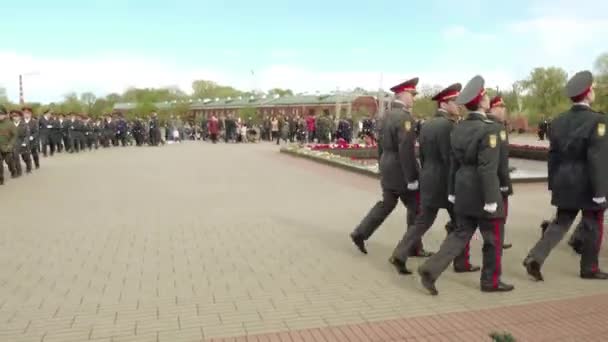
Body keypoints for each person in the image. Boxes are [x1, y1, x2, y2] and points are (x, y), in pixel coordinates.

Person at [417, 75, 513, 295]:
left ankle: (430, 269)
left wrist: (451, 191)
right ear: (481, 101)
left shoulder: (458, 127)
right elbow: (488, 168)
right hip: (483, 190)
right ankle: (491, 281)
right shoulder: (489, 129)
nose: (488, 98)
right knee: (493, 237)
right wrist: (491, 199)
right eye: (486, 95)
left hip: (462, 187)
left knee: (460, 234)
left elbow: (454, 164)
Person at [523, 70, 608, 281]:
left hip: (564, 179)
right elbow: (596, 157)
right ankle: (589, 268)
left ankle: (535, 257)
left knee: (560, 223)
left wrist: (553, 183)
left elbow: (552, 155)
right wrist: (600, 191)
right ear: (588, 93)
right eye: (593, 89)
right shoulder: (598, 120)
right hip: (588, 182)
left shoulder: (559, 121)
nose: (594, 92)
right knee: (593, 224)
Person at [390, 83, 478, 274]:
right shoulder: (449, 126)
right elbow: (451, 158)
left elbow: (421, 154)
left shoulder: (428, 123)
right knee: (461, 224)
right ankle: (460, 262)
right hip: (446, 181)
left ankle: (400, 253)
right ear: (444, 104)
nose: (458, 106)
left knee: (422, 221)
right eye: (455, 102)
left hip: (428, 178)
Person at [350, 77, 432, 260]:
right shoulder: (404, 117)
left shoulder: (385, 115)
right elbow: (406, 150)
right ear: (402, 94)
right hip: (401, 171)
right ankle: (411, 248)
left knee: (386, 204)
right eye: (412, 95)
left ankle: (360, 233)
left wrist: (381, 164)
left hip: (387, 166)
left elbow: (380, 145)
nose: (413, 99)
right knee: (417, 209)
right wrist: (412, 178)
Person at [487, 96, 513, 249]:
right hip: (496, 177)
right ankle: (497, 239)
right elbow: (501, 158)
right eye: (500, 107)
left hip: (489, 175)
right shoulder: (497, 127)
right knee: (500, 212)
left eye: (504, 107)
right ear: (491, 109)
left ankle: (497, 238)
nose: (504, 110)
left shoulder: (495, 125)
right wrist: (505, 183)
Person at [11, 110, 32, 176]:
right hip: (14, 144)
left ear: (20, 117)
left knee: (25, 157)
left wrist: (25, 142)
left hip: (23, 143)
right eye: (14, 116)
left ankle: (29, 168)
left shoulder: (25, 125)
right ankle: (19, 172)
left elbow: (27, 135)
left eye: (17, 116)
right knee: (15, 158)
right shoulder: (10, 125)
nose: (15, 118)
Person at [0, 106, 17, 185]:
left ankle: (13, 171)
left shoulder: (10, 124)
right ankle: (1, 179)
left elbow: (14, 136)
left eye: (1, 114)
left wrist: (10, 145)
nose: (0, 116)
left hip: (7, 147)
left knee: (9, 161)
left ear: (5, 115)